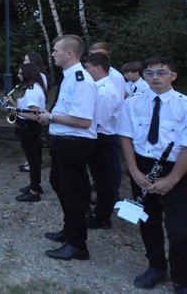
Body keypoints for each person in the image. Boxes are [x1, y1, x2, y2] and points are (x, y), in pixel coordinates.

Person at [116, 57, 187, 293]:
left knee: (181, 230)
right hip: (142, 168)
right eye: (149, 73)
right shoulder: (132, 103)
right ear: (143, 76)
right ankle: (156, 267)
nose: (155, 77)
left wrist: (172, 179)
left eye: (161, 73)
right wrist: (134, 172)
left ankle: (183, 281)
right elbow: (125, 137)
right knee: (148, 223)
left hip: (174, 171)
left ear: (173, 76)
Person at [37, 35, 97, 261]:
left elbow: (84, 121)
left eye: (55, 51)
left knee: (72, 193)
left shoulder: (81, 80)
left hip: (74, 144)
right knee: (60, 184)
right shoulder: (70, 77)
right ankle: (70, 230)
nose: (52, 54)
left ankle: (78, 245)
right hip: (64, 142)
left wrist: (51, 117)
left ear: (69, 53)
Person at [83, 52, 124, 228]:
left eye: (88, 68)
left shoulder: (105, 91)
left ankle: (102, 216)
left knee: (103, 178)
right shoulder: (100, 87)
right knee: (100, 177)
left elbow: (98, 120)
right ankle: (101, 211)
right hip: (101, 136)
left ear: (98, 68)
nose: (85, 71)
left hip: (103, 138)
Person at [12, 63, 47, 202]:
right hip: (29, 126)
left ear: (28, 75)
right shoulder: (32, 88)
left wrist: (16, 110)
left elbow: (34, 115)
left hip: (29, 126)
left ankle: (34, 192)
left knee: (33, 159)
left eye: (21, 73)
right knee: (34, 158)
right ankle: (35, 185)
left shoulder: (32, 90)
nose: (18, 76)